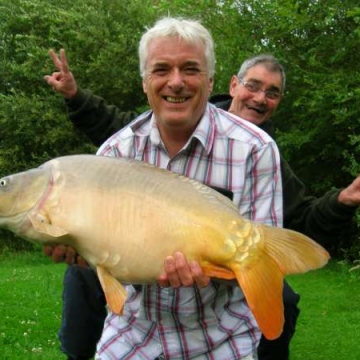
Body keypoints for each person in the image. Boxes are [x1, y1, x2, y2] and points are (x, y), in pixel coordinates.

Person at [44, 48, 360, 359]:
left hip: (219, 295)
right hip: (138, 297)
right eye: (253, 86)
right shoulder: (150, 127)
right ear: (232, 85)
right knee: (81, 273)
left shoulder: (262, 151)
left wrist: (342, 201)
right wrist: (75, 96)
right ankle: (76, 351)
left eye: (272, 92)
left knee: (283, 300)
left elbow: (301, 216)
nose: (260, 98)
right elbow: (110, 125)